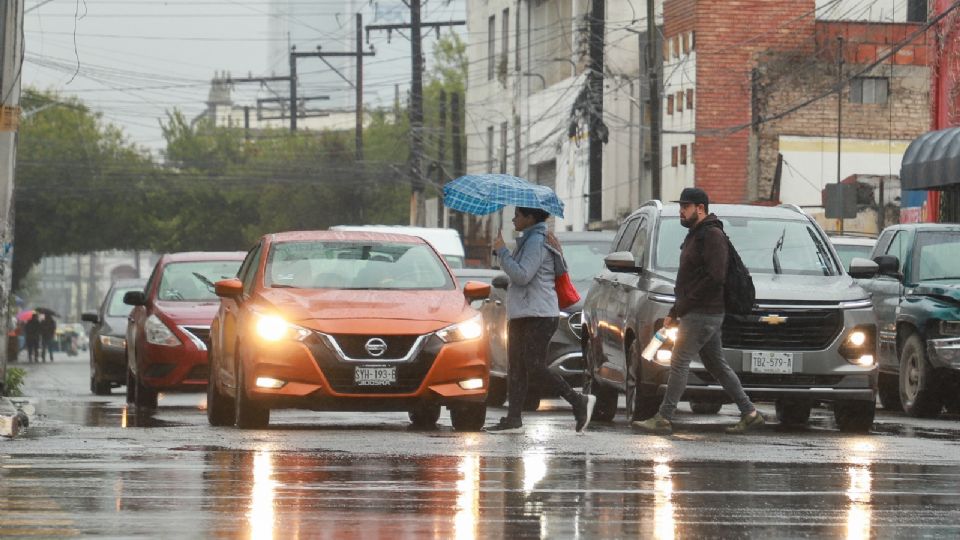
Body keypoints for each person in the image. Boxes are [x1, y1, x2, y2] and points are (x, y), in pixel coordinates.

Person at [632, 188, 765, 435]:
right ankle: (750, 413)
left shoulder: (712, 235)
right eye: (681, 206)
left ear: (700, 208)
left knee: (679, 360)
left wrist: (684, 306)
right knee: (717, 365)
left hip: (704, 312)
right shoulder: (697, 234)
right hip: (697, 310)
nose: (681, 212)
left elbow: (715, 277)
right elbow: (689, 280)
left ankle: (664, 416)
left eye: (686, 207)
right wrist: (675, 309)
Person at [484, 206, 597, 434]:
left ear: (530, 217)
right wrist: (503, 253)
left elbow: (523, 275)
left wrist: (503, 252)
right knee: (516, 367)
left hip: (539, 314)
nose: (514, 219)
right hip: (523, 312)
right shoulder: (529, 239)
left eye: (517, 215)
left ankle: (578, 400)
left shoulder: (537, 240)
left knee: (533, 365)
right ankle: (513, 418)